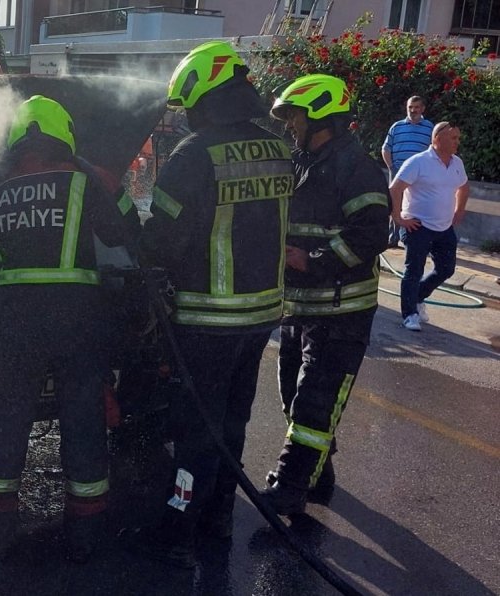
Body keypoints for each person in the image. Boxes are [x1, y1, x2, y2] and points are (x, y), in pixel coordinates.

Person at [129, 41, 293, 567]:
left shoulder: (194, 155)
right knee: (234, 423)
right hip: (261, 316)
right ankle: (219, 517)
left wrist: (135, 243)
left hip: (207, 320)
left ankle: (178, 523)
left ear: (204, 95)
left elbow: (164, 239)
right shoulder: (277, 148)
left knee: (195, 428)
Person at [0, 95, 126, 563]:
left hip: (16, 322)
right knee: (82, 417)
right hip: (78, 320)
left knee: (9, 418)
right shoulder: (87, 180)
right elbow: (124, 231)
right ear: (65, 135)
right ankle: (87, 529)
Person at [261, 74, 389, 515]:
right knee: (293, 395)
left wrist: (313, 261)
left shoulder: (357, 167)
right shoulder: (301, 162)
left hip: (343, 310)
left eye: (294, 115)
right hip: (299, 306)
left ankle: (292, 485)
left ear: (320, 115)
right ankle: (319, 474)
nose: (289, 125)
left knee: (315, 399)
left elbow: (371, 234)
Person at [390, 122, 470, 331]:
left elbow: (464, 186)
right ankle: (409, 315)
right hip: (418, 226)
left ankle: (417, 297)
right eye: (453, 138)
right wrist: (398, 218)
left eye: (458, 138)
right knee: (413, 271)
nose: (457, 142)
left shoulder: (456, 163)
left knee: (446, 269)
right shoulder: (418, 162)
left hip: (444, 228)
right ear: (437, 139)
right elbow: (395, 189)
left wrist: (459, 210)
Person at [382, 96, 433, 248]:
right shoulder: (397, 127)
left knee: (418, 204)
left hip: (420, 174)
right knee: (395, 204)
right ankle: (393, 237)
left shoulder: (430, 128)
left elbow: (434, 150)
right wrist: (391, 167)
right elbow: (386, 148)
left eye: (416, 107)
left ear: (422, 109)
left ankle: (416, 239)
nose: (413, 110)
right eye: (410, 107)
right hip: (398, 171)